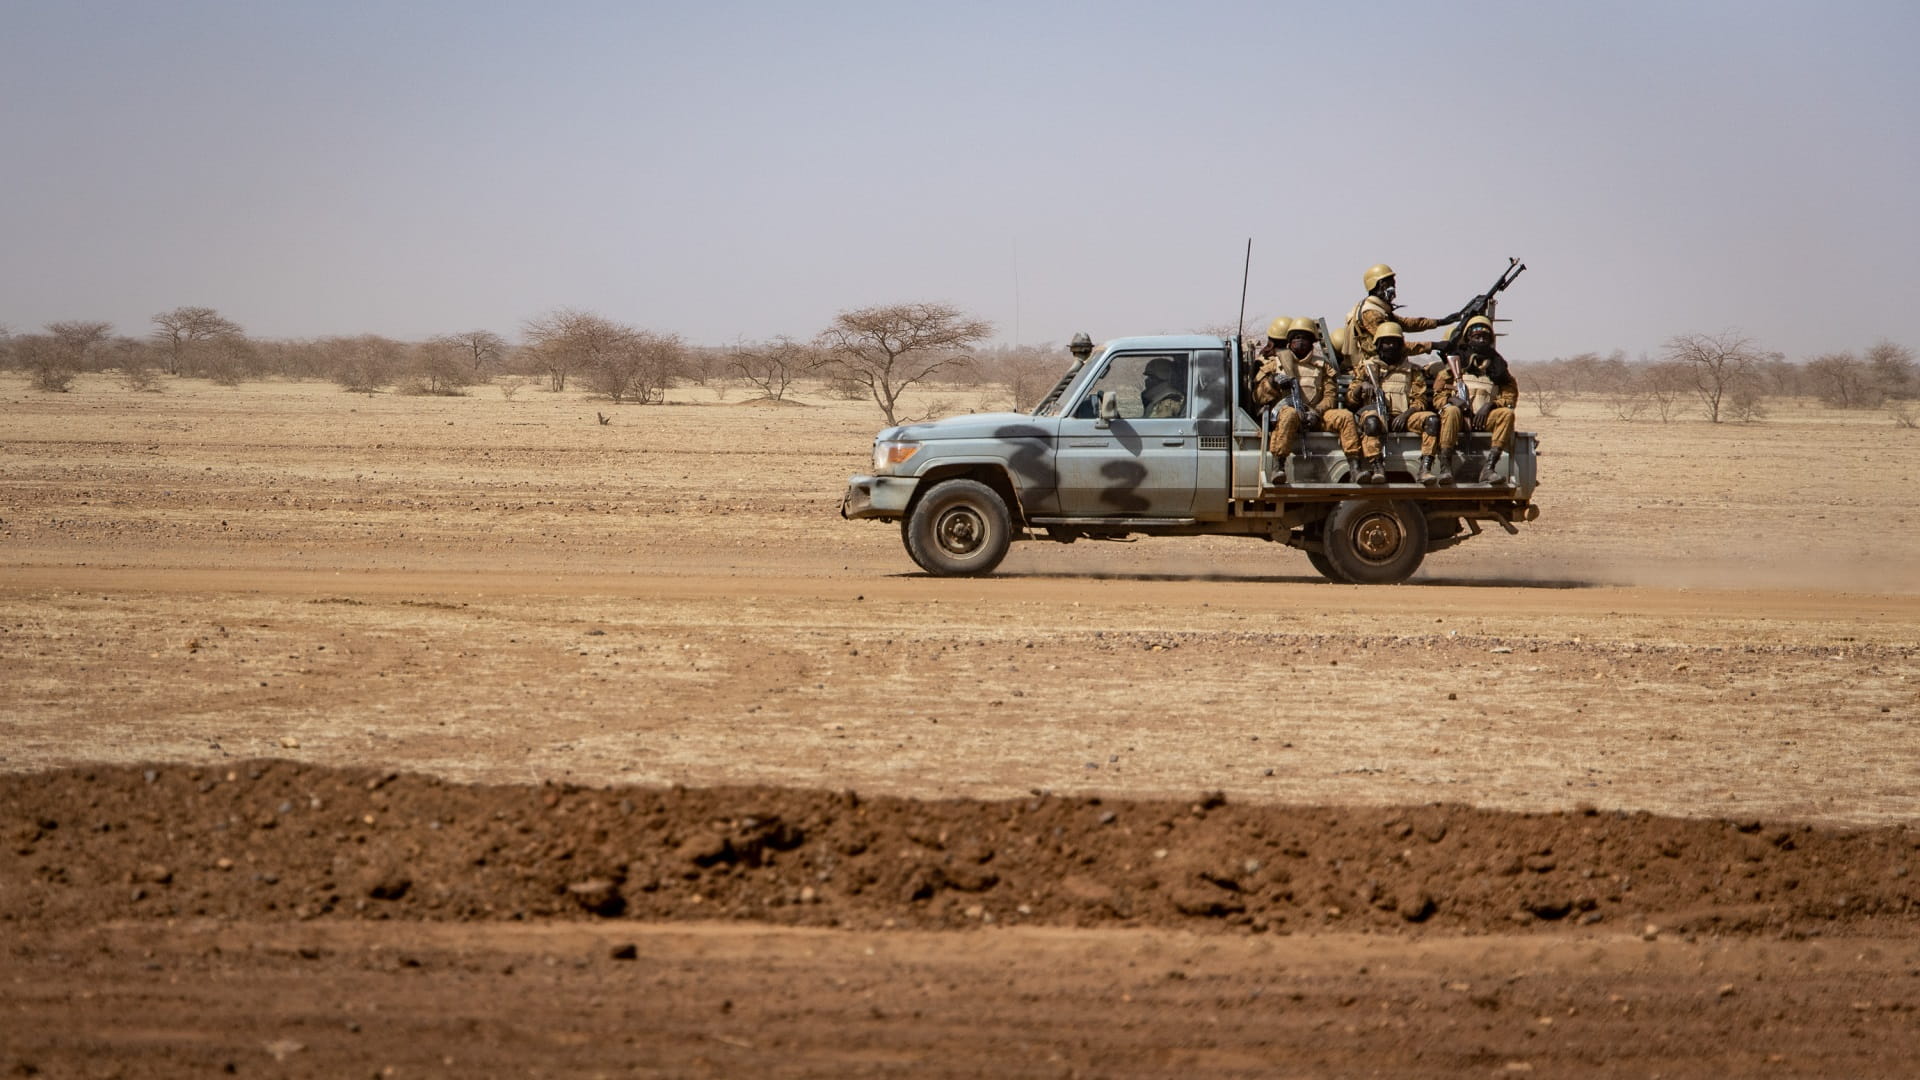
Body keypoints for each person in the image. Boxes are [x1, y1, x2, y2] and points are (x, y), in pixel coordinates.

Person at [1253, 317, 1362, 482]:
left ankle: (1355, 467)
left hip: (1316, 415)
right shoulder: (1276, 364)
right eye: (1296, 337)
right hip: (1290, 415)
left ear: (1312, 342)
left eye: (1305, 338)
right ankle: (1279, 466)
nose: (1300, 342)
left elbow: (1330, 396)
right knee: (1288, 414)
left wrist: (1317, 412)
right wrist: (1272, 382)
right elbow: (1257, 397)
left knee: (1345, 417)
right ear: (1289, 341)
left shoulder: (1322, 366)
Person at [1346, 321, 1451, 484]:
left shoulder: (1412, 371)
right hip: (1376, 415)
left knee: (1432, 420)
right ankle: (1377, 467)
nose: (1390, 346)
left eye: (1394, 342)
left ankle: (1425, 467)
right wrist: (1361, 387)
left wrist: (1406, 414)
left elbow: (1420, 400)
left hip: (1404, 417)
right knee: (1371, 422)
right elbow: (1351, 401)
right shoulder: (1366, 368)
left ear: (1401, 345)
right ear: (1379, 345)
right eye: (1386, 342)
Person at [1430, 315, 1520, 483]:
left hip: (1484, 419)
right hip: (1459, 420)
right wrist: (1452, 400)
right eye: (1476, 337)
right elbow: (1438, 396)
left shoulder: (1498, 367)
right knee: (1450, 411)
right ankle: (1445, 467)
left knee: (1506, 414)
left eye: (1485, 337)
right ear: (1468, 338)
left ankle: (1489, 467)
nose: (1481, 340)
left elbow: (1510, 397)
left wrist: (1491, 405)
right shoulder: (1455, 366)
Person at [1343, 263, 1462, 367]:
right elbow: (1394, 346)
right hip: (1372, 366)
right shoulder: (1371, 313)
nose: (1393, 288)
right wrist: (1433, 345)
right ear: (1380, 284)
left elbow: (1406, 323)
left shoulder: (1380, 309)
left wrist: (1440, 322)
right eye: (1390, 283)